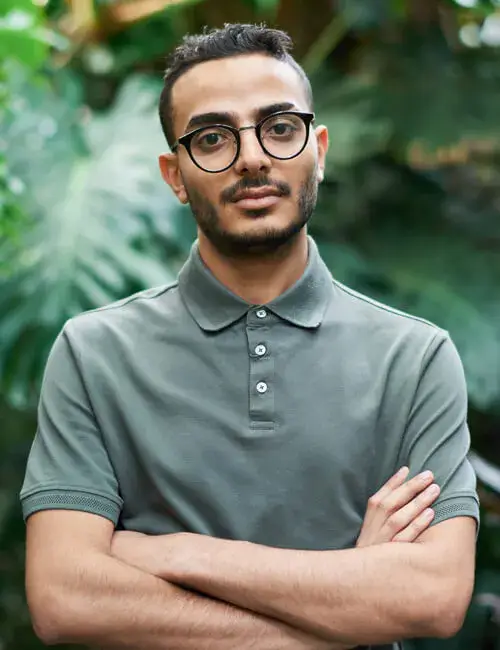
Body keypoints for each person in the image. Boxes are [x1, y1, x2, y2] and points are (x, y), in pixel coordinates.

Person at [21, 23, 479, 650]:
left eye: (280, 128)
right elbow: (65, 599)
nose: (253, 158)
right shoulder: (93, 352)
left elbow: (433, 596)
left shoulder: (415, 357)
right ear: (174, 175)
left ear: (319, 149)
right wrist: (349, 603)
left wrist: (180, 554)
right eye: (212, 138)